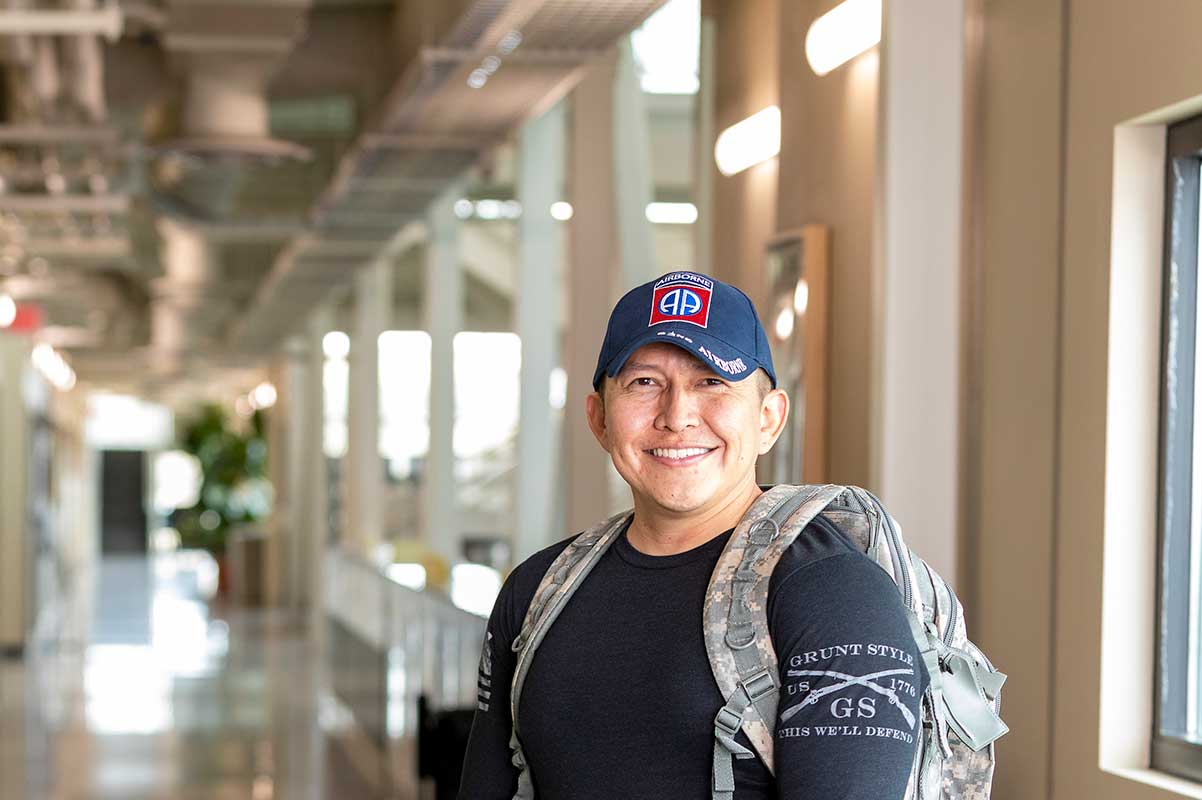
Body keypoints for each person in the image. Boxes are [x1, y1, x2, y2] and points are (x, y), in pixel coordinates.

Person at [458, 270, 928, 799]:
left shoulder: (832, 592)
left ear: (769, 419)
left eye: (712, 382)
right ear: (599, 419)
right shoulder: (537, 590)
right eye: (644, 383)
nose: (677, 416)